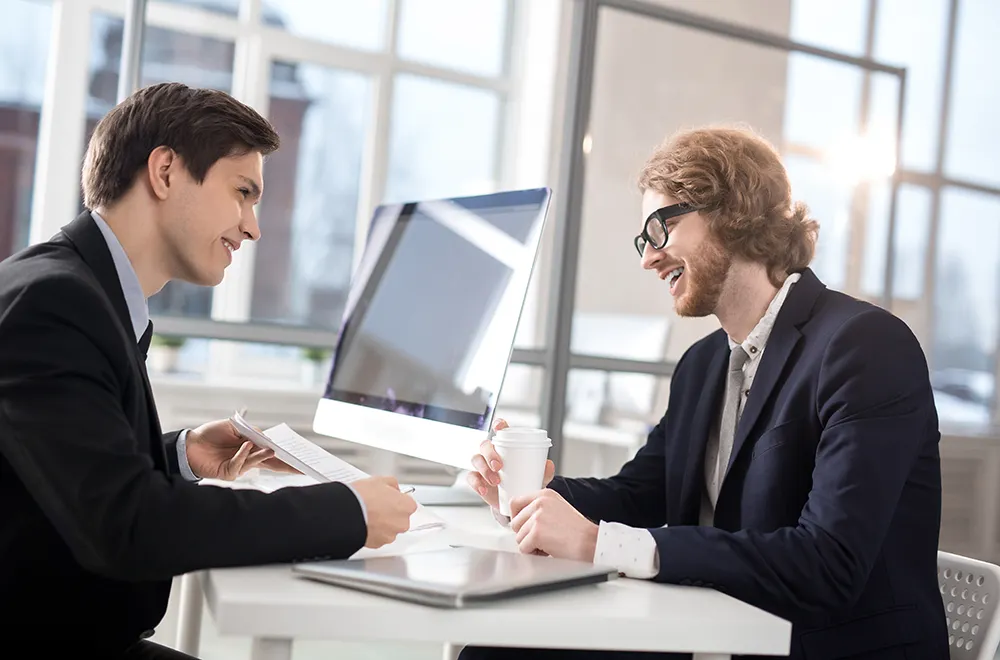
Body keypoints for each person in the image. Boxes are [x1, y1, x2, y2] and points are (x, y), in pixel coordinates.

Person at [464, 126, 948, 660]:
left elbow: (827, 563)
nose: (648, 259)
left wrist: (596, 543)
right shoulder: (701, 365)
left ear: (731, 211)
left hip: (818, 647)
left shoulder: (864, 346)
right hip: (713, 634)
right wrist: (528, 498)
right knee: (497, 646)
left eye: (659, 229)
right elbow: (639, 494)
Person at [0, 82, 416, 658]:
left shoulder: (79, 291)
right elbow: (126, 525)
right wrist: (346, 510)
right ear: (166, 172)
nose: (253, 227)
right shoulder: (55, 305)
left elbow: (66, 476)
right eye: (243, 192)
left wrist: (178, 456)